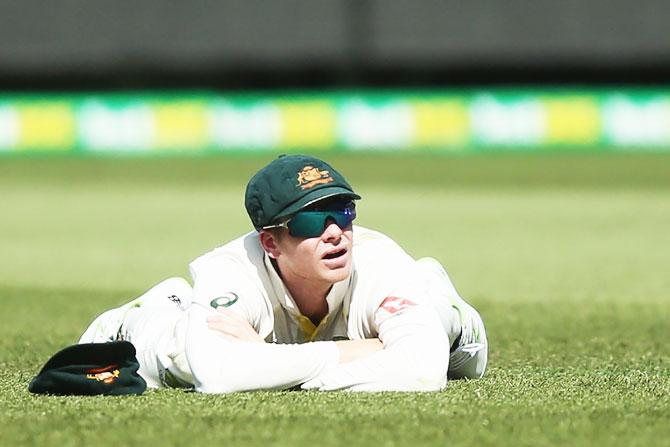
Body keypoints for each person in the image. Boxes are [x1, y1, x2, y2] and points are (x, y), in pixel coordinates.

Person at [79, 154, 488, 393]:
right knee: (178, 359)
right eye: (312, 221)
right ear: (271, 243)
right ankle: (157, 306)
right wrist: (367, 350)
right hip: (183, 327)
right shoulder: (233, 267)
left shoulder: (378, 259)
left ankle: (429, 279)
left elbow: (421, 370)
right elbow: (218, 375)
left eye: (344, 212)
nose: (336, 233)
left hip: (432, 321)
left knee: (448, 333)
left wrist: (271, 363)